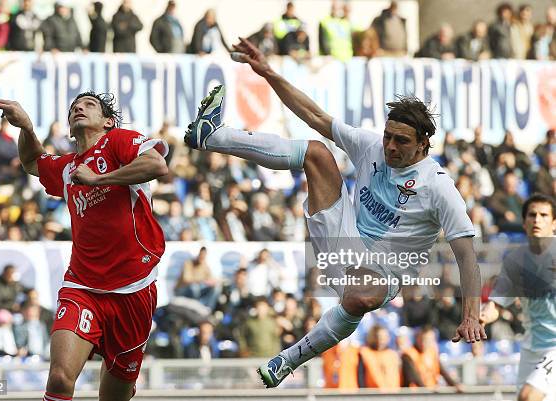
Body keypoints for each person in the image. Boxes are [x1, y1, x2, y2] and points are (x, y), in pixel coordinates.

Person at [185, 37, 486, 388]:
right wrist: (267, 72)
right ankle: (212, 135)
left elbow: (467, 256)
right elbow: (314, 115)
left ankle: (288, 360)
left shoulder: (439, 187)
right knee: (316, 152)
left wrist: (471, 316)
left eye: (401, 141)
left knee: (361, 295)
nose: (390, 146)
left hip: (382, 272)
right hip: (342, 235)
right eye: (388, 136)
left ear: (423, 143)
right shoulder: (371, 146)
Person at [0, 90, 169, 400]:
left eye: (89, 105)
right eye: (74, 107)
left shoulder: (119, 141)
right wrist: (27, 128)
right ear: (70, 127)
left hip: (134, 289)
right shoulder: (68, 168)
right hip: (82, 285)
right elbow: (32, 161)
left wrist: (100, 179)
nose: (78, 108)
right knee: (59, 378)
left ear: (108, 121)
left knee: (112, 397)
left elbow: (157, 165)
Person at [480, 194, 555, 401]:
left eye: (543, 215)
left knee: (528, 397)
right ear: (524, 223)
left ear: (554, 223)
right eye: (532, 215)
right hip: (531, 349)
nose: (537, 220)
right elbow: (496, 305)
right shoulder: (516, 262)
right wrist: (483, 316)